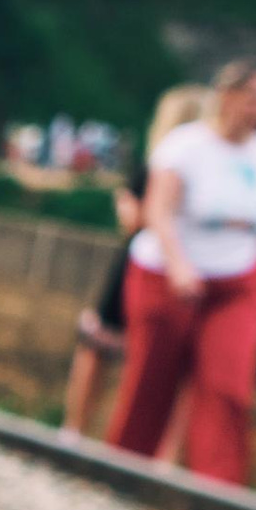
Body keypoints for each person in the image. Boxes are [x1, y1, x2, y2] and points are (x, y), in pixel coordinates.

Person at [106, 61, 256, 485]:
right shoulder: (185, 146)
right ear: (227, 96)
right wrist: (178, 266)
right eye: (255, 98)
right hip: (167, 278)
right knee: (151, 384)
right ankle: (122, 474)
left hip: (237, 283)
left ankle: (217, 489)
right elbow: (158, 211)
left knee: (228, 389)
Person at [63, 84, 206, 441]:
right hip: (188, 268)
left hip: (146, 266)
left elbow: (132, 218)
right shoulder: (200, 172)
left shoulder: (159, 165)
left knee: (99, 346)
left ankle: (76, 429)